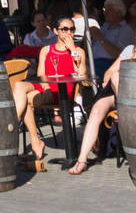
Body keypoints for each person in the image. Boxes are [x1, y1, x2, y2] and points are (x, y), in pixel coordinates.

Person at [69, 20, 136, 174]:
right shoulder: (129, 51)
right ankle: (82, 160)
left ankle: (125, 109)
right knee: (97, 110)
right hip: (120, 93)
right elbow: (109, 72)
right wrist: (109, 77)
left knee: (117, 76)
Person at [14, 16, 85, 170]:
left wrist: (72, 50)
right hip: (47, 87)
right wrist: (46, 87)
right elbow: (41, 75)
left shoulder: (79, 51)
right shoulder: (46, 50)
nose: (68, 33)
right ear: (56, 31)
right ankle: (32, 137)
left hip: (64, 91)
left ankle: (16, 127)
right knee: (20, 86)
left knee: (25, 99)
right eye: (64, 29)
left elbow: (81, 73)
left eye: (71, 29)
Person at [92, 0, 135, 77]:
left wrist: (100, 37)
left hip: (109, 65)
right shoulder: (104, 26)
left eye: (109, 10)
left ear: (119, 12)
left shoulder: (125, 30)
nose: (105, 13)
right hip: (93, 61)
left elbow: (119, 54)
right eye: (105, 10)